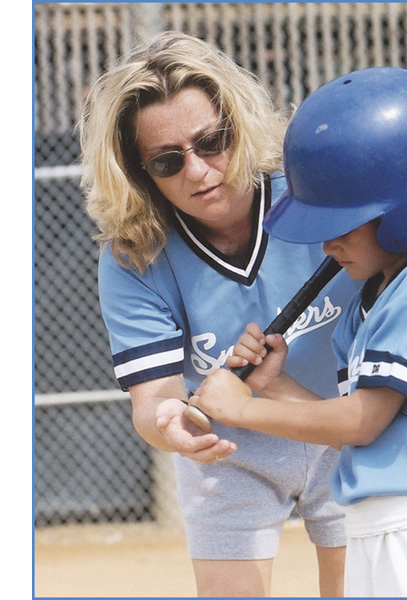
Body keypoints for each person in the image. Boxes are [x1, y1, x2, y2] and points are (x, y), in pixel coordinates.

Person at [193, 66, 407, 597]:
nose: (324, 245)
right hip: (372, 526)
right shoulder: (373, 297)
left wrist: (242, 410)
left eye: (338, 225)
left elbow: (363, 422)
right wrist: (275, 385)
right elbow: (352, 418)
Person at [79, 31, 359, 597]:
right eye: (166, 160)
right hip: (231, 444)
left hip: (346, 420)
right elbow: (153, 400)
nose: (199, 170)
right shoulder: (136, 252)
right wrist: (172, 426)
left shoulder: (312, 192)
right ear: (138, 172)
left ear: (238, 121)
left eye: (213, 141)